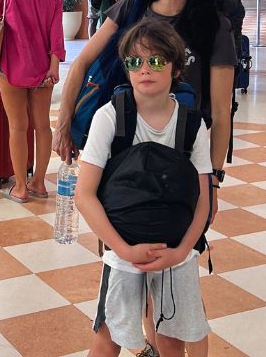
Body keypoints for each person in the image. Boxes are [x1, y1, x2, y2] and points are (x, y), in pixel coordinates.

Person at [55, 0, 234, 357]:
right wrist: (63, 125)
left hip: (180, 162)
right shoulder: (131, 6)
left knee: (168, 283)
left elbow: (221, 108)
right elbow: (81, 64)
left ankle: (155, 346)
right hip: (120, 162)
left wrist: (214, 178)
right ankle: (141, 343)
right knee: (126, 266)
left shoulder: (213, 24)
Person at [76, 21, 211, 357]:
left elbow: (204, 203)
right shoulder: (110, 118)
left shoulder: (192, 125)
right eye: (135, 62)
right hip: (123, 248)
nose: (145, 70)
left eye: (156, 61)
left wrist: (181, 252)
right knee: (109, 336)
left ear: (176, 68)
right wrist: (123, 249)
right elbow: (84, 195)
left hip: (176, 250)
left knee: (172, 338)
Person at [0, 0, 65, 202]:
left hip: (12, 64)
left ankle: (20, 187)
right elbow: (57, 33)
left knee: (18, 126)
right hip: (43, 68)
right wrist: (54, 63)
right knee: (42, 126)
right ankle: (39, 183)